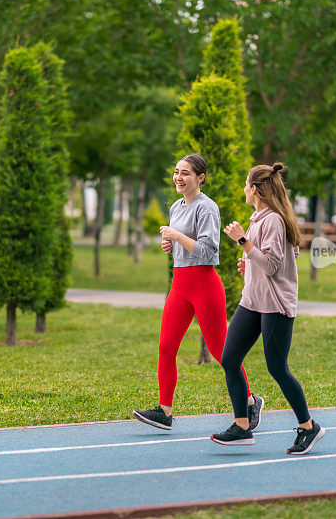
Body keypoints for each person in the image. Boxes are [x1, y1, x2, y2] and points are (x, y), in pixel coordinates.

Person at [133, 154, 262, 431]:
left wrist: (177, 237)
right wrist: (171, 246)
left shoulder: (207, 208)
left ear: (200, 178)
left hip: (204, 285)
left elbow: (207, 251)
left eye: (186, 173)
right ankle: (164, 411)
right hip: (180, 285)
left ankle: (250, 402)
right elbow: (184, 245)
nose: (179, 178)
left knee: (222, 353)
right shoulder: (176, 207)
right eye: (177, 172)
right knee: (166, 347)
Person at [210, 163, 325, 454]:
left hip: (275, 306)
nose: (243, 190)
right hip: (252, 301)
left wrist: (243, 242)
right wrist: (248, 264)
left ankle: (309, 427)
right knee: (229, 358)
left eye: (245, 185)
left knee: (277, 368)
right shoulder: (259, 217)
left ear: (255, 189)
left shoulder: (272, 220)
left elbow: (274, 264)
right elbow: (277, 257)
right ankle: (242, 426)